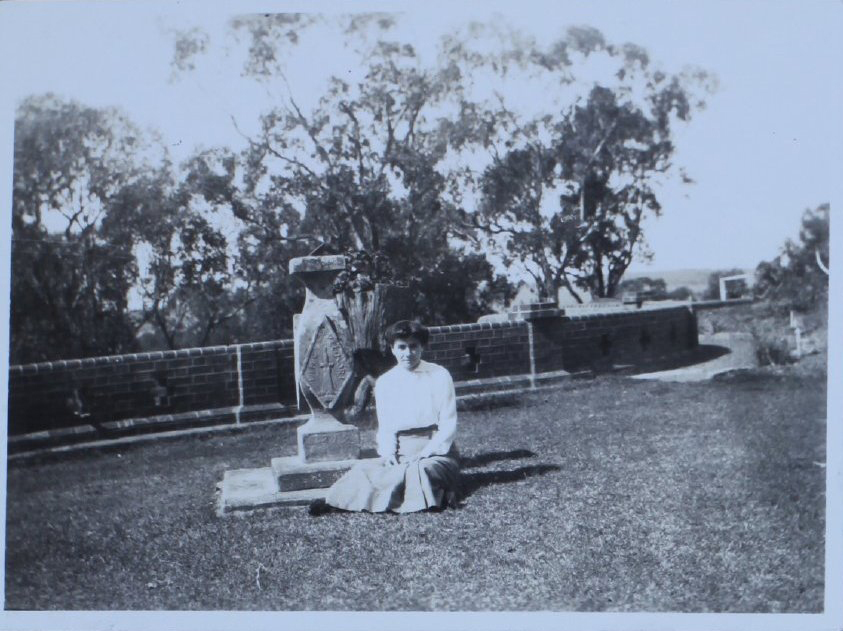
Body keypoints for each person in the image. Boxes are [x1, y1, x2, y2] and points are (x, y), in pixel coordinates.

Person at [309, 320, 460, 515]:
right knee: (365, 469)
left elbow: (448, 423)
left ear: (422, 346)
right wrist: (389, 454)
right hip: (400, 450)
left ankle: (411, 497)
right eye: (402, 347)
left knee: (421, 470)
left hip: (436, 452)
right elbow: (387, 427)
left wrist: (425, 453)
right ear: (392, 349)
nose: (408, 353)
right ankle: (338, 501)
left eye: (413, 346)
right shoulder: (386, 382)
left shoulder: (439, 375)